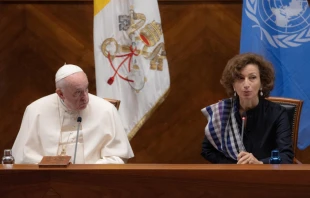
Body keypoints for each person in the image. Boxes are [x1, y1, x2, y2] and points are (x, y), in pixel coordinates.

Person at [12, 64, 134, 164]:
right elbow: (23, 157)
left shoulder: (106, 110)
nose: (85, 98)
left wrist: (89, 172)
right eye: (78, 93)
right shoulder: (35, 111)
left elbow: (118, 157)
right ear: (60, 94)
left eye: (86, 89)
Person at [201, 53, 293, 164]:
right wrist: (234, 166)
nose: (246, 84)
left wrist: (259, 164)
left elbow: (286, 155)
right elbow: (207, 150)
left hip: (266, 176)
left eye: (252, 77)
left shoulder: (277, 113)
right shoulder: (223, 112)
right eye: (240, 78)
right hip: (233, 177)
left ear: (262, 83)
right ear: (233, 84)